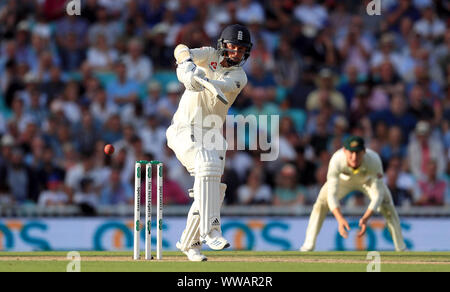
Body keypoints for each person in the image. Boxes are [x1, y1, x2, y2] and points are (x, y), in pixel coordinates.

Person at [166, 24, 252, 261]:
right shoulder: (209, 54)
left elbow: (219, 87)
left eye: (241, 49)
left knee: (213, 190)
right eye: (232, 47)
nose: (236, 53)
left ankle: (190, 244)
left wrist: (198, 79)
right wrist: (186, 67)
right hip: (184, 128)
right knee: (206, 163)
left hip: (213, 134)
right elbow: (181, 49)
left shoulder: (239, 76)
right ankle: (211, 229)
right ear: (223, 46)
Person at [300, 136, 406, 252]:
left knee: (387, 205)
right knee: (321, 204)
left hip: (367, 181)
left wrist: (365, 218)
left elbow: (378, 195)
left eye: (358, 153)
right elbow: (332, 194)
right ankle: (308, 246)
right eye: (351, 153)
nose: (354, 157)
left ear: (364, 151)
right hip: (344, 181)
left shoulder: (373, 159)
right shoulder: (337, 159)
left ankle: (401, 248)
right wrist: (340, 219)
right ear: (344, 151)